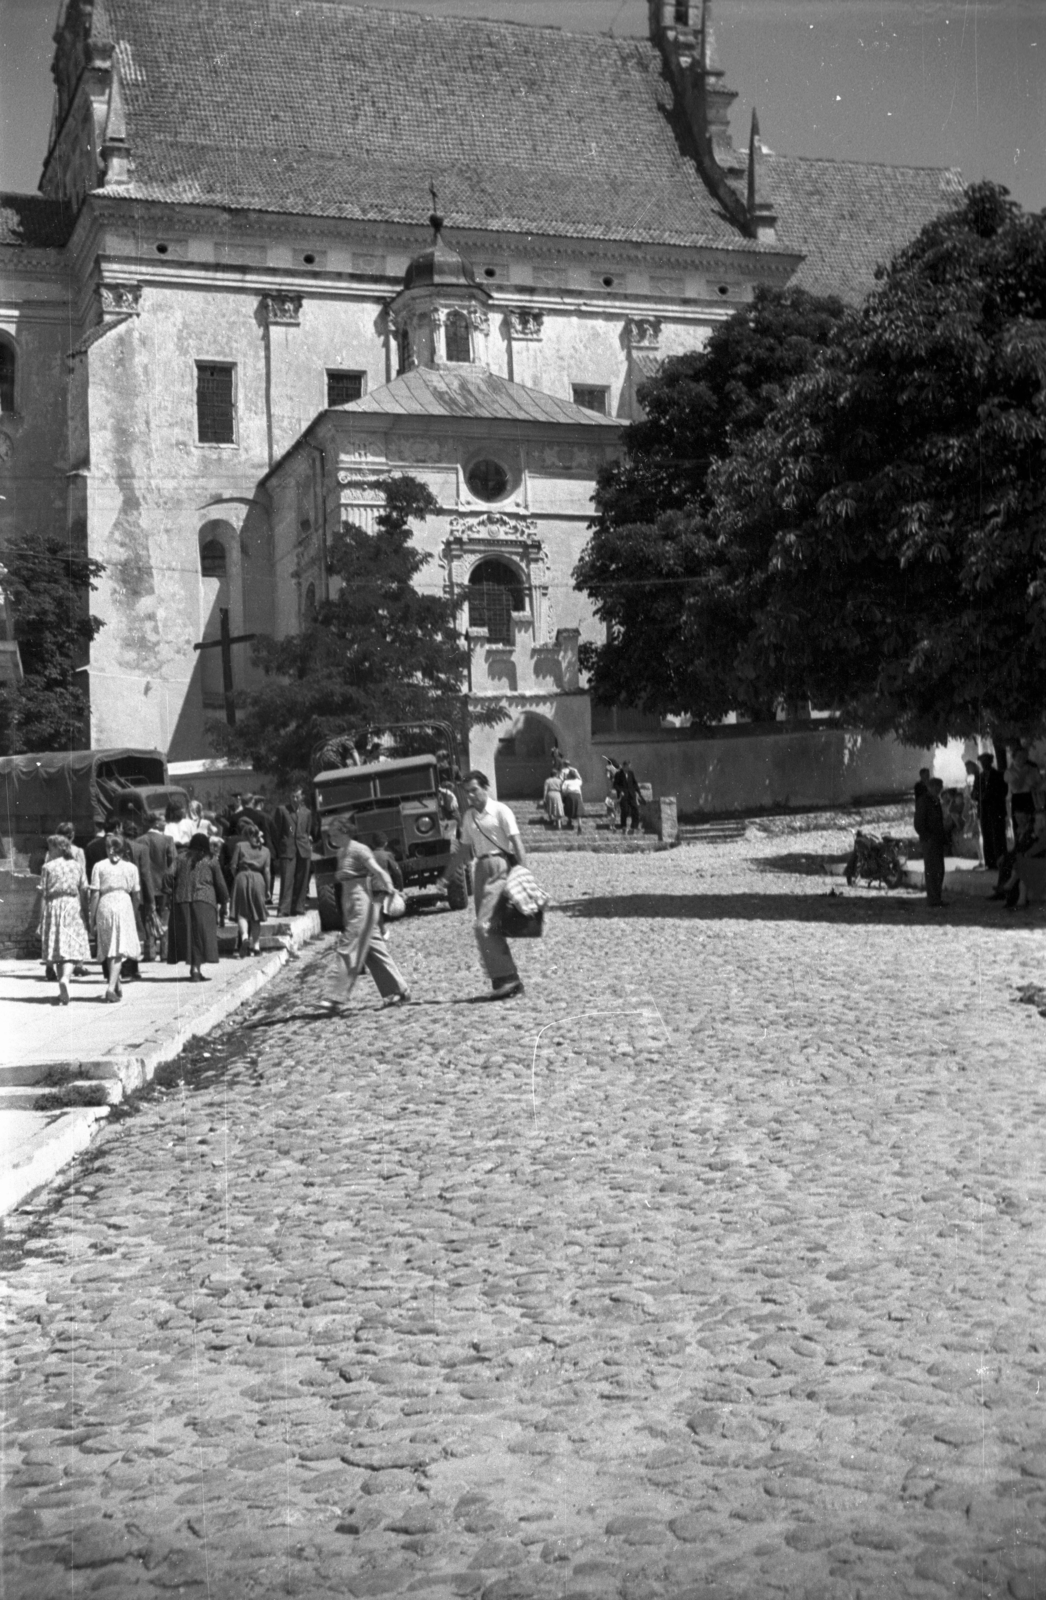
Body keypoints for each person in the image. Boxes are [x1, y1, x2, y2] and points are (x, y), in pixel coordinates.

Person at [444, 770, 527, 1001]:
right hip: (480, 869)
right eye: (467, 792)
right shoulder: (469, 817)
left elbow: (517, 844)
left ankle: (509, 979)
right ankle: (504, 981)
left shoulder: (501, 811)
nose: (470, 796)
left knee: (484, 926)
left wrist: (523, 874)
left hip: (500, 865)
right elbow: (463, 849)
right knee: (490, 927)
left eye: (474, 790)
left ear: (485, 787)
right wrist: (447, 876)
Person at [325, 814, 411, 1008]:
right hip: (350, 904)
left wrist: (391, 890)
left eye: (334, 834)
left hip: (362, 903)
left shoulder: (359, 850)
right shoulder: (341, 853)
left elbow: (379, 872)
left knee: (347, 948)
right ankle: (399, 991)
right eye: (330, 835)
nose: (332, 839)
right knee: (374, 951)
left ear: (345, 832)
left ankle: (334, 997)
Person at [166, 832, 229, 982]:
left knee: (189, 936)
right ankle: (196, 970)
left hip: (182, 900)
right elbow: (220, 884)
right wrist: (224, 900)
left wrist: (171, 891)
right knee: (200, 936)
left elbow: (168, 876)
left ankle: (194, 970)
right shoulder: (211, 861)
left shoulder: (180, 858)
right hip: (205, 901)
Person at [38, 834, 91, 1005]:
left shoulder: (47, 867)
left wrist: (41, 919)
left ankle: (63, 983)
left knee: (58, 947)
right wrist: (85, 910)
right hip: (72, 906)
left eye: (51, 848)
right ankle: (65, 979)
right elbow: (84, 890)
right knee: (71, 946)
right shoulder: (77, 866)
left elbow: (43, 895)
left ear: (58, 848)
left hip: (54, 906)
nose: (49, 851)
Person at [89, 832, 142, 1001]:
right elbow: (137, 895)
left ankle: (116, 985)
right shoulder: (131, 868)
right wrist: (132, 913)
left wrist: (92, 916)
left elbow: (95, 894)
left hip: (105, 904)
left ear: (108, 848)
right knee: (117, 949)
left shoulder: (99, 866)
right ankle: (111, 988)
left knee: (109, 947)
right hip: (123, 904)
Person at [228, 819, 271, 955]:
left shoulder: (240, 845)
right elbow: (267, 871)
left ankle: (245, 936)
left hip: (242, 877)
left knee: (241, 912)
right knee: (256, 915)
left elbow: (233, 865)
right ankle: (257, 947)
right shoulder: (265, 850)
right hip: (258, 879)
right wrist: (268, 889)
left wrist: (238, 876)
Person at [120, 819, 155, 974]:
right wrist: (151, 900)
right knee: (134, 930)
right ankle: (132, 965)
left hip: (120, 892)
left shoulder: (117, 846)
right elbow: (146, 875)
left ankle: (124, 964)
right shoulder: (142, 849)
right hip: (136, 895)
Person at [274, 786, 314, 915]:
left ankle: (298, 907)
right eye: (292, 796)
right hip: (288, 850)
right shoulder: (282, 810)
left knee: (302, 881)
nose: (294, 799)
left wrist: (307, 844)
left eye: (297, 796)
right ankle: (283, 909)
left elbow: (307, 831)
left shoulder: (307, 812)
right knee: (286, 880)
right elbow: (277, 831)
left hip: (303, 849)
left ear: (302, 798)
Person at [143, 811, 176, 959]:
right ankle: (165, 952)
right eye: (163, 820)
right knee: (164, 918)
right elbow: (173, 863)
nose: (165, 823)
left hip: (146, 885)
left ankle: (149, 952)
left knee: (148, 917)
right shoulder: (168, 840)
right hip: (163, 885)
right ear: (156, 823)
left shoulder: (141, 840)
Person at [914, 776, 947, 908]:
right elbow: (918, 823)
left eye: (939, 787)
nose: (938, 790)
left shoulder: (935, 801)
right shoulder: (924, 801)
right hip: (929, 840)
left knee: (939, 869)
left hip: (937, 839)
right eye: (935, 787)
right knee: (932, 870)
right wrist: (927, 837)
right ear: (929, 787)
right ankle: (933, 899)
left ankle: (936, 897)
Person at [1006, 745, 1041, 854]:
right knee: (1020, 826)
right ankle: (1020, 852)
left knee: (1033, 824)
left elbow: (1039, 783)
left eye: (1024, 756)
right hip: (1019, 798)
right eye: (1019, 756)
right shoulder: (1009, 772)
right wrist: (1023, 773)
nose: (1022, 759)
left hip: (1031, 797)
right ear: (1014, 757)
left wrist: (1035, 785)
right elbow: (1016, 787)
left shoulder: (1032, 769)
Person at [978, 751, 1009, 869]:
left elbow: (1003, 791)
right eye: (982, 762)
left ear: (991, 762)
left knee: (999, 836)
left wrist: (989, 795)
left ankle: (1001, 861)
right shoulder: (979, 777)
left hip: (997, 810)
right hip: (984, 811)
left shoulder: (999, 775)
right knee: (987, 836)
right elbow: (974, 793)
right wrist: (979, 795)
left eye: (986, 761)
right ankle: (990, 863)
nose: (984, 764)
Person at [618, 760, 642, 835]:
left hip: (631, 795)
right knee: (624, 810)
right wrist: (620, 791)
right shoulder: (619, 774)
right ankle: (624, 826)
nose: (629, 767)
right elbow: (616, 785)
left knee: (635, 810)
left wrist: (638, 792)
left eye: (630, 766)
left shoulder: (631, 773)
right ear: (624, 766)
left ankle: (634, 826)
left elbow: (634, 783)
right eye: (628, 766)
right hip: (624, 795)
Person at [560, 763, 584, 832]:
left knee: (569, 808)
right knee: (578, 810)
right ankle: (580, 824)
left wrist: (564, 796)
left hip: (570, 795)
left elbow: (563, 790)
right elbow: (580, 780)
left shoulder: (566, 782)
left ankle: (569, 821)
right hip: (578, 795)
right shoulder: (578, 781)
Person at [543, 767, 565, 831]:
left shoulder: (547, 780)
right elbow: (562, 789)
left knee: (550, 807)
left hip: (550, 794)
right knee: (558, 809)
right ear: (556, 774)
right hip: (557, 794)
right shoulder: (559, 781)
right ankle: (558, 824)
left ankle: (551, 820)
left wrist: (544, 798)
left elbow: (545, 790)